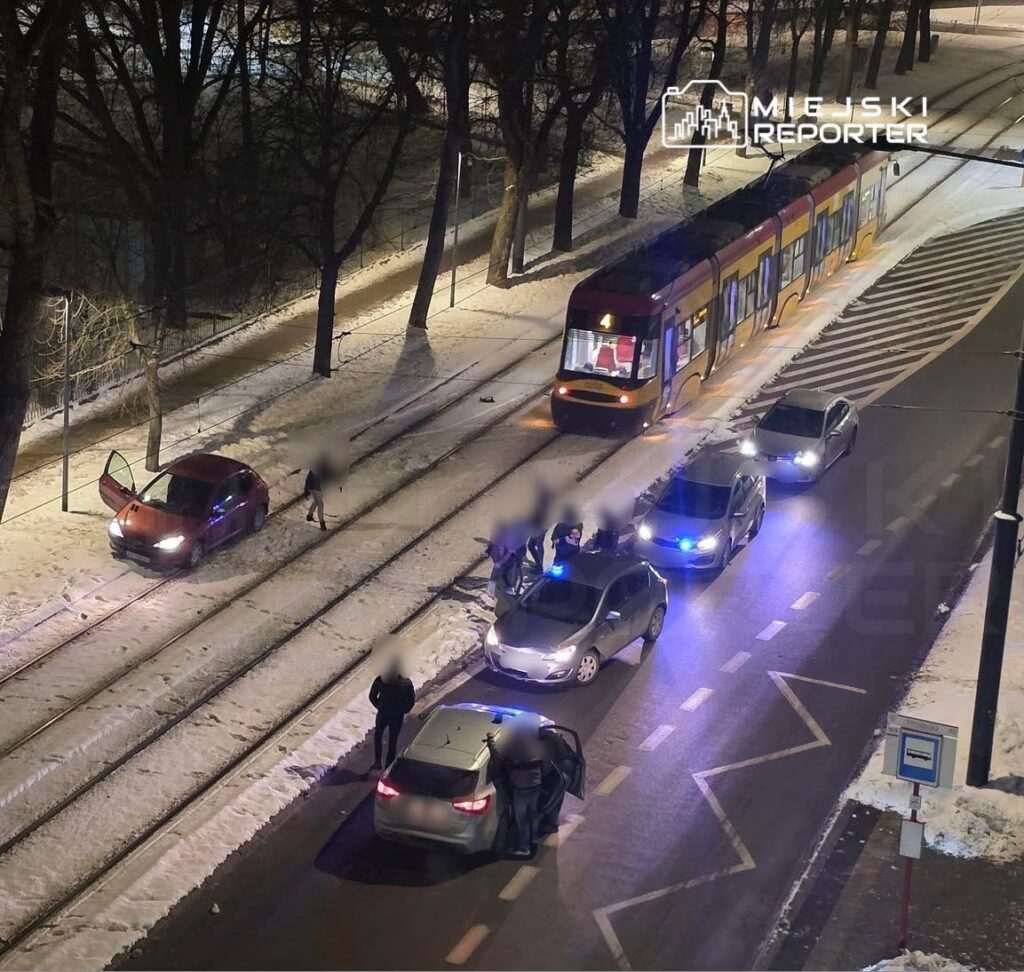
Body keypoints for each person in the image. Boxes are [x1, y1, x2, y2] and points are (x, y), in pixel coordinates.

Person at [486, 714, 545, 858]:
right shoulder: (536, 745)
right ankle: (534, 840)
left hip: (521, 789)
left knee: (522, 819)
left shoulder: (514, 746)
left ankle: (524, 848)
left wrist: (491, 741)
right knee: (532, 815)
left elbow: (498, 757)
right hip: (535, 786)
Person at [368, 660, 415, 770]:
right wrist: (404, 710)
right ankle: (388, 765)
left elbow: (372, 696)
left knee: (378, 736)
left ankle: (377, 761)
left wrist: (379, 706)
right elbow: (411, 700)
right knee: (392, 740)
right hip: (397, 715)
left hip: (383, 713)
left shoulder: (380, 680)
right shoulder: (406, 682)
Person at [538, 728, 580, 838]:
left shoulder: (546, 742)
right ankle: (551, 820)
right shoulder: (554, 738)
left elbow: (547, 764)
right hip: (566, 768)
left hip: (562, 771)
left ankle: (552, 824)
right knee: (557, 797)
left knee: (554, 796)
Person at [526, 482, 553, 573]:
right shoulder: (543, 503)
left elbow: (539, 517)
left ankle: (539, 566)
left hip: (539, 528)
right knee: (533, 545)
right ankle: (539, 564)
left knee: (536, 545)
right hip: (539, 527)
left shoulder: (544, 504)